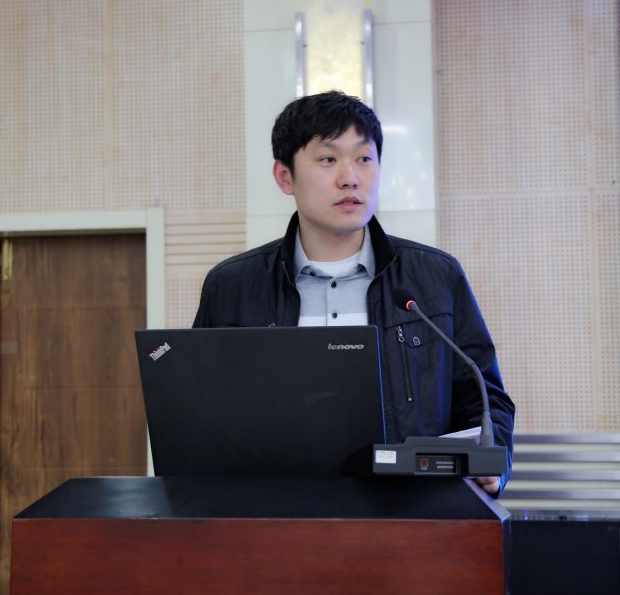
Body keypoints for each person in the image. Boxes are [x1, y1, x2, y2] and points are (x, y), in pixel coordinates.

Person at [193, 91, 515, 493]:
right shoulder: (232, 286)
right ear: (285, 176)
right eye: (328, 159)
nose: (350, 177)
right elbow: (201, 412)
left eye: (364, 158)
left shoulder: (435, 277)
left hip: (412, 513)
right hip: (273, 511)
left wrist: (493, 462)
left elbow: (484, 399)